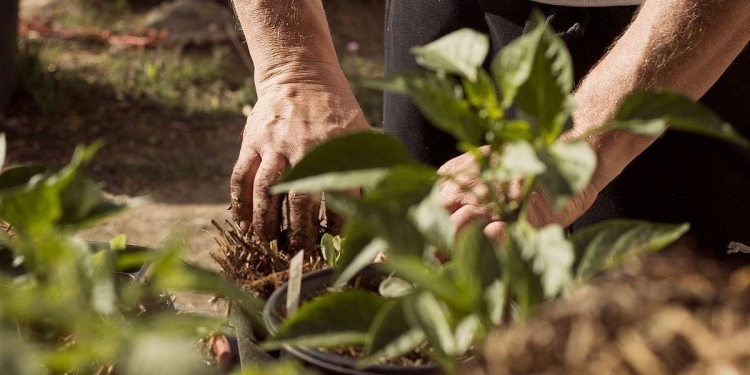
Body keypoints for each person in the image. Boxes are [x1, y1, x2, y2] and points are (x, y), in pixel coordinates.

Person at [229, 0, 750, 257]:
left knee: (640, 333)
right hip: (445, 17)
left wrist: (577, 145)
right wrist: (294, 65)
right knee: (427, 285)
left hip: (675, 32)